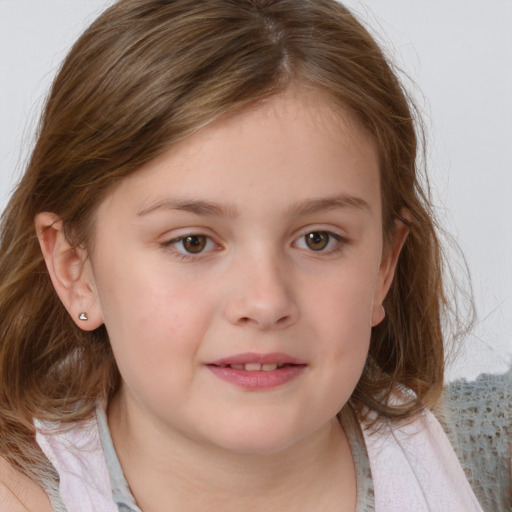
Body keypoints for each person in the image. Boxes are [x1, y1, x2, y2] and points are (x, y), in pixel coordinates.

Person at [0, 0, 509, 511]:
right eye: (192, 242)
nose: (265, 303)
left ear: (383, 266)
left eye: (318, 239)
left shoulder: (485, 451)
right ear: (75, 270)